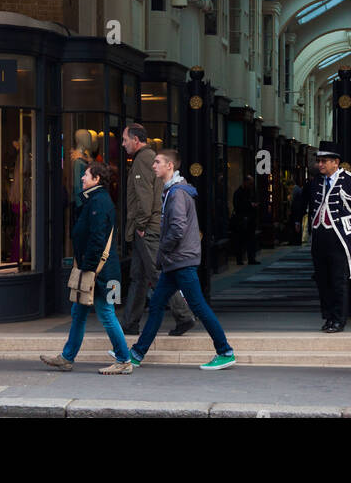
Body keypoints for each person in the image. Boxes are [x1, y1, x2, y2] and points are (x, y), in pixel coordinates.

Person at [128, 148, 236, 370]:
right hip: (175, 261)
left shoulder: (177, 194)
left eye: (158, 162)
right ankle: (137, 353)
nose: (153, 165)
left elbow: (177, 229)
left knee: (198, 306)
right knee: (157, 304)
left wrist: (162, 250)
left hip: (181, 260)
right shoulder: (172, 191)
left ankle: (225, 351)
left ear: (170, 166)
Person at [41, 161, 133, 374]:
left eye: (86, 174)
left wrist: (87, 269)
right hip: (100, 271)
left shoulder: (99, 202)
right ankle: (67, 357)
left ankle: (124, 360)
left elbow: (97, 238)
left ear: (96, 179)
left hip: (100, 273)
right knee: (79, 312)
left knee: (107, 313)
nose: (82, 178)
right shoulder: (95, 200)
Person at [118, 124, 193, 337]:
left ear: (135, 140)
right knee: (138, 276)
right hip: (149, 227)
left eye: (125, 140)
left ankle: (184, 315)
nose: (123, 144)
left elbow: (145, 197)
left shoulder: (143, 159)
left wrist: (140, 226)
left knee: (158, 274)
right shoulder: (149, 157)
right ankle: (130, 323)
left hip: (147, 229)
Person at [304, 142, 351, 333]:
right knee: (323, 280)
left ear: (335, 162)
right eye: (319, 161)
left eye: (324, 161)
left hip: (339, 239)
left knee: (339, 280)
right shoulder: (317, 181)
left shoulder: (350, 181)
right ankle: (329, 317)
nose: (320, 164)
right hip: (320, 238)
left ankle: (339, 319)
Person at [231, 177, 259, 265]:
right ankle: (239, 259)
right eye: (250, 183)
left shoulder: (249, 192)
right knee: (240, 240)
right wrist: (250, 205)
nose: (251, 186)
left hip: (250, 220)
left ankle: (251, 258)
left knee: (250, 240)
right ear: (245, 182)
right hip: (241, 220)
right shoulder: (238, 193)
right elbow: (238, 206)